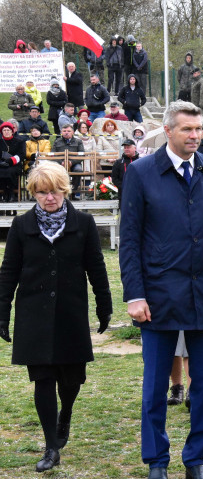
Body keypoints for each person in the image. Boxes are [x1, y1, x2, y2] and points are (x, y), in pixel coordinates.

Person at [119, 100, 203, 479]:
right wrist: (134, 294)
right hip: (157, 296)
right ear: (169, 131)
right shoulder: (141, 173)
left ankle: (196, 460)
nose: (196, 135)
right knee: (155, 386)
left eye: (199, 128)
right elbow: (130, 239)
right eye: (188, 129)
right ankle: (157, 460)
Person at [0, 161, 112, 473]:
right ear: (34, 194)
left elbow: (96, 266)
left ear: (65, 190)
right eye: (41, 193)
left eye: (54, 191)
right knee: (43, 378)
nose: (49, 198)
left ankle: (67, 413)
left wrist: (104, 304)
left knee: (72, 378)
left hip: (70, 311)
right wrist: (2, 310)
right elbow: (8, 272)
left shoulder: (84, 224)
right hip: (33, 313)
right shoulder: (22, 226)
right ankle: (51, 446)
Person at [53, 124, 85, 198]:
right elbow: (53, 155)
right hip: (60, 163)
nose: (66, 132)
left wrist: (71, 162)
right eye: (64, 131)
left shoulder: (78, 141)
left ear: (73, 132)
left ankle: (73, 192)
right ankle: (60, 192)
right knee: (54, 171)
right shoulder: (57, 141)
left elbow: (82, 155)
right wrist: (61, 162)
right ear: (61, 132)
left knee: (78, 170)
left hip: (74, 163)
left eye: (68, 131)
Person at [0, 122, 25, 201]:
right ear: (2, 132)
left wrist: (10, 161)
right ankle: (3, 193)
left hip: (14, 164)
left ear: (12, 131)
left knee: (10, 172)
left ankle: (11, 194)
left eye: (8, 130)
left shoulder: (20, 141)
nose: (6, 132)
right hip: (1, 164)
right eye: (4, 130)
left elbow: (22, 154)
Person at [111, 138, 139, 205]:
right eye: (125, 147)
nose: (126, 149)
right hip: (123, 193)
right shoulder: (118, 162)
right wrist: (124, 186)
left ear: (135, 148)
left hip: (138, 192)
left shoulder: (141, 161)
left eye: (128, 147)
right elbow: (114, 178)